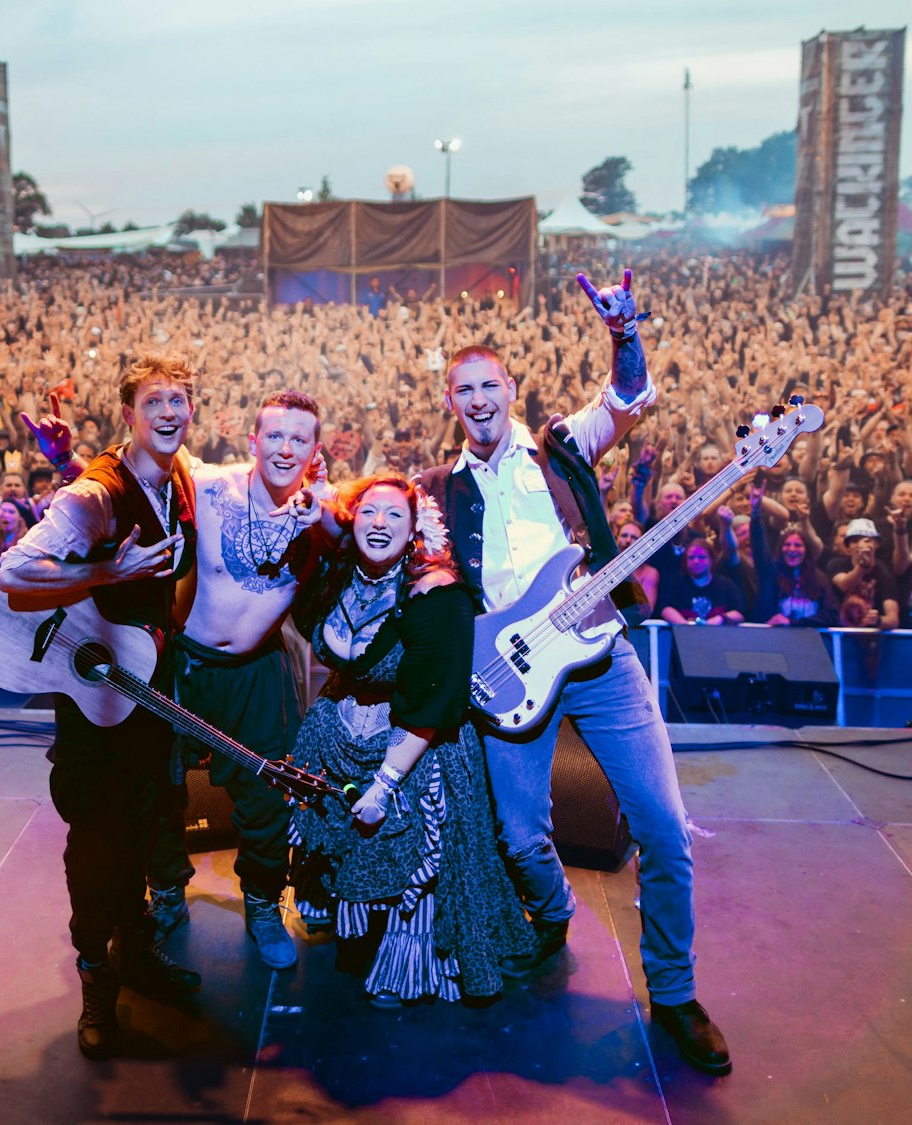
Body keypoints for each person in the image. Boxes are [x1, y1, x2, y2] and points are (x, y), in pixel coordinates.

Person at [415, 269, 730, 1075]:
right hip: (514, 675)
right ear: (450, 402)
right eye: (464, 390)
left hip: (599, 658)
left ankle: (676, 990)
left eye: (490, 384)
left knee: (662, 827)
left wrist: (624, 335)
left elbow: (630, 398)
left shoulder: (563, 444)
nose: (479, 399)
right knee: (520, 833)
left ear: (510, 388)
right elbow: (432, 585)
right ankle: (549, 914)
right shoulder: (440, 491)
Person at [0, 353, 204, 1061]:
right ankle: (96, 980)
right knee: (97, 852)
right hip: (93, 711)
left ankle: (138, 954)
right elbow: (14, 572)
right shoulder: (96, 492)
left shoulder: (175, 475)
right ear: (129, 414)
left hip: (147, 695)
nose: (170, 413)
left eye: (180, 400)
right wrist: (107, 571)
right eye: (156, 402)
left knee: (149, 830)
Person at [287, 474, 532, 1005]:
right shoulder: (334, 577)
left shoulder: (436, 596)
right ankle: (355, 929)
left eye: (395, 515)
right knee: (344, 842)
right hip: (341, 735)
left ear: (415, 528)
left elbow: (432, 701)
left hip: (414, 744)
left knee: (412, 849)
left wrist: (383, 785)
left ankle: (407, 963)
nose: (381, 524)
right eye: (370, 512)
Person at [143, 389, 329, 972]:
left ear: (314, 451)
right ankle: (168, 892)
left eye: (299, 439)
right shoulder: (210, 485)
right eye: (274, 435)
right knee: (158, 787)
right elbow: (135, 476)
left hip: (257, 674)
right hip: (187, 664)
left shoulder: (323, 520)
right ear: (253, 441)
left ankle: (262, 904)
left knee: (267, 796)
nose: (284, 448)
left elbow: (390, 533)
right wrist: (64, 460)